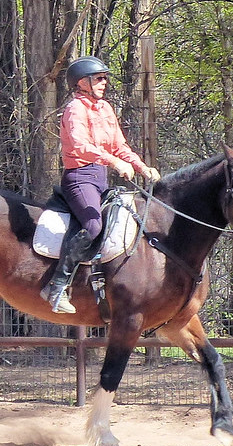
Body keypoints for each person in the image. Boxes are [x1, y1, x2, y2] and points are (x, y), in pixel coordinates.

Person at [41, 56, 160, 314]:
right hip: (79, 177)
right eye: (99, 78)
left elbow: (120, 146)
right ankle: (57, 286)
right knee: (93, 225)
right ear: (82, 82)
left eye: (105, 78)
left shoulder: (105, 108)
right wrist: (115, 163)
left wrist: (142, 167)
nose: (104, 83)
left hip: (100, 178)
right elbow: (80, 145)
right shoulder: (75, 109)